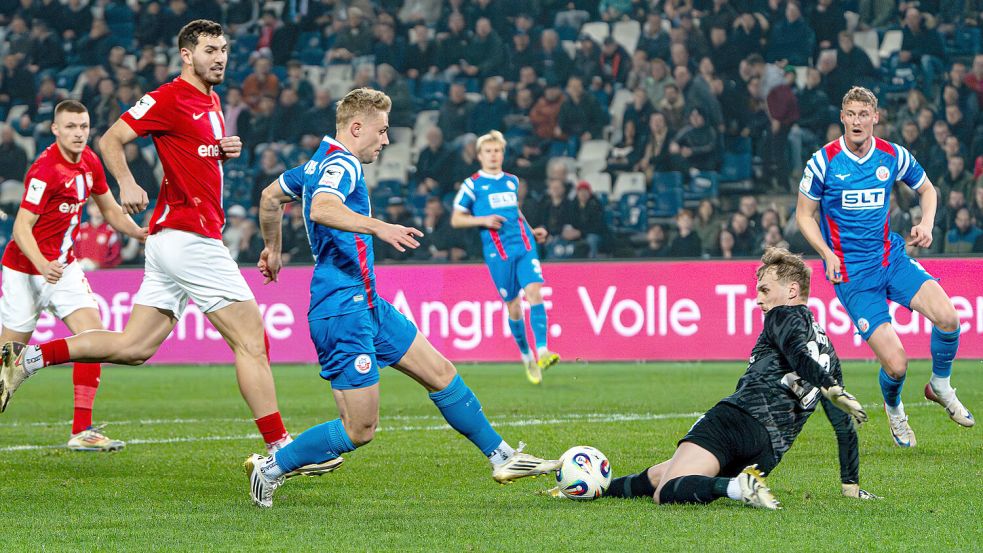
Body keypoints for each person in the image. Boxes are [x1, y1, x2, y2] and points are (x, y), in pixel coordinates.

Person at [0, 20, 330, 476]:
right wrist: (128, 181)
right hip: (189, 237)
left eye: (224, 49)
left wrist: (218, 151)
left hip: (173, 239)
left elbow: (190, 153)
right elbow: (111, 138)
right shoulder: (169, 96)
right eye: (210, 50)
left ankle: (31, 358)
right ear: (187, 55)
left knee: (134, 347)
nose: (220, 57)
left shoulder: (211, 100)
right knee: (252, 340)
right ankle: (282, 451)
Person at [248, 88, 559, 508]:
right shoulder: (341, 163)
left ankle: (502, 456)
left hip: (366, 301)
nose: (386, 140)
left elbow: (270, 197)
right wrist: (380, 227)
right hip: (341, 308)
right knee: (359, 429)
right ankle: (271, 468)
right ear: (356, 128)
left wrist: (273, 249)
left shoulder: (315, 163)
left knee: (441, 372)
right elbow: (322, 208)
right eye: (381, 130)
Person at [592, 248, 872, 508]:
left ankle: (737, 488)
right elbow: (843, 426)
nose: (758, 299)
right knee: (660, 474)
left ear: (792, 290)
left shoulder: (781, 316)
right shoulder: (828, 352)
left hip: (738, 420)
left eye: (765, 289)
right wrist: (851, 486)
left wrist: (827, 385)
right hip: (765, 453)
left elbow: (797, 354)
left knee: (665, 490)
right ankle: (592, 489)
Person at [796, 87, 974, 449]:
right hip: (853, 276)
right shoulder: (823, 161)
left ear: (875, 117)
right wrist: (827, 254)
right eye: (850, 114)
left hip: (890, 259)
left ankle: (940, 385)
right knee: (897, 365)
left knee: (949, 318)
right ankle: (894, 408)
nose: (857, 121)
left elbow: (928, 190)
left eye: (864, 114)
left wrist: (926, 224)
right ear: (842, 118)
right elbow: (804, 215)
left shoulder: (893, 155)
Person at [0, 100, 146, 451]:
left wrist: (140, 233)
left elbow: (110, 209)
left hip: (63, 268)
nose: (78, 133)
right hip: (25, 271)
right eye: (70, 127)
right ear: (55, 129)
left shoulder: (90, 162)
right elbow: (21, 228)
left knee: (93, 338)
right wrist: (41, 264)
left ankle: (83, 430)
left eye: (83, 126)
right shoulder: (45, 170)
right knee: (6, 366)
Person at [450, 130, 558, 384]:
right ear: (480, 156)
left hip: (524, 245)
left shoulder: (512, 181)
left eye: (497, 151)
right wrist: (483, 220)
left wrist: (532, 230)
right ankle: (526, 355)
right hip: (498, 253)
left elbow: (514, 211)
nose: (493, 155)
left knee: (535, 292)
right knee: (514, 307)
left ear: (502, 153)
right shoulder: (473, 184)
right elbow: (456, 219)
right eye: (488, 151)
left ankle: (543, 350)